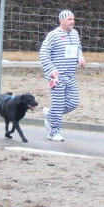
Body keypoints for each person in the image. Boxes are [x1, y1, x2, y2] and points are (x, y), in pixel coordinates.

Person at [39, 9, 85, 141]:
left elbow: (78, 49)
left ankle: (50, 115)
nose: (72, 21)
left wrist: (80, 59)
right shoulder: (53, 35)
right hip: (57, 77)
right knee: (58, 105)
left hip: (71, 75)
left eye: (73, 19)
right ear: (61, 21)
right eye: (69, 19)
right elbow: (43, 53)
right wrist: (51, 70)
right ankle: (54, 132)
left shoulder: (75, 34)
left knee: (73, 103)